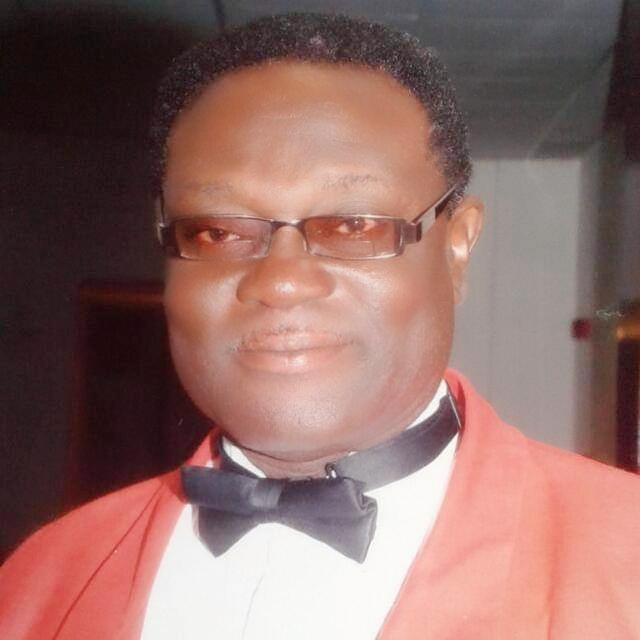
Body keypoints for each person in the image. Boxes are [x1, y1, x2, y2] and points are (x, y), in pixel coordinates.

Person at [1, 12, 639, 640]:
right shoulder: (42, 579)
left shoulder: (624, 556)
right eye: (218, 231)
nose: (280, 281)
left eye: (353, 225)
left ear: (456, 249)